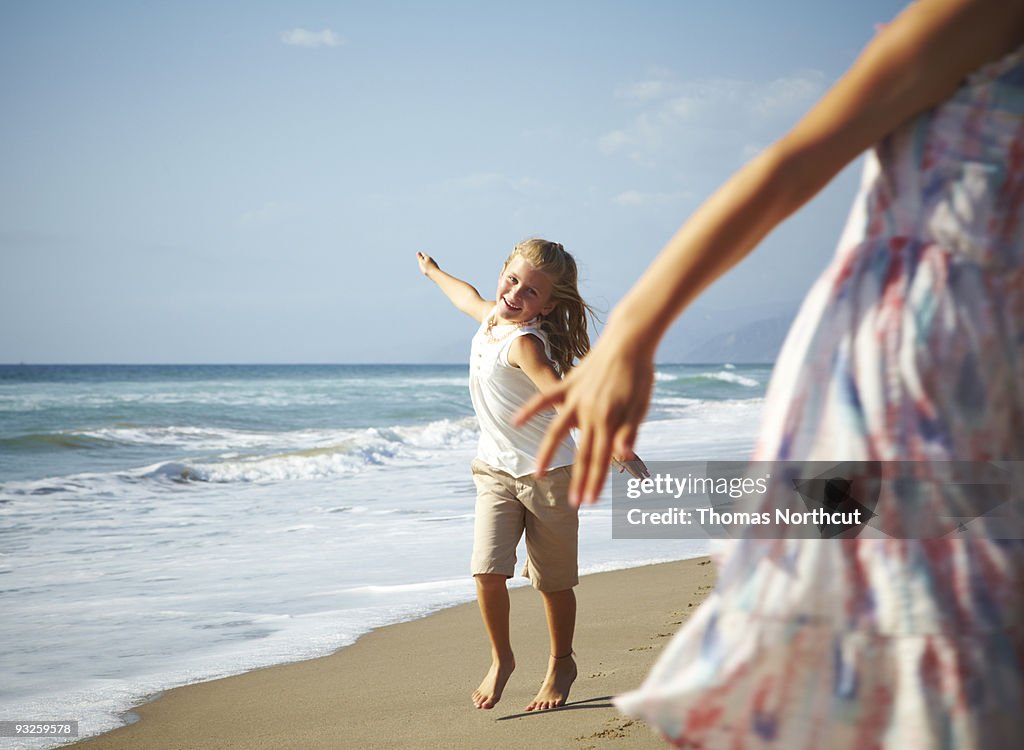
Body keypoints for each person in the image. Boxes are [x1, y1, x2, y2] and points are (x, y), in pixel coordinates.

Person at [517, 0, 1024, 746]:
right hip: (906, 376)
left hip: (997, 381)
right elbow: (791, 165)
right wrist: (632, 333)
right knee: (897, 624)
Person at [416, 239, 648, 712]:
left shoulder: (525, 344)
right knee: (486, 570)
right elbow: (465, 295)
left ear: (549, 305)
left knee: (553, 583)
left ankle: (562, 661)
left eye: (533, 292)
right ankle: (502, 660)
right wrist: (434, 272)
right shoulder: (491, 319)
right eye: (513, 279)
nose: (516, 293)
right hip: (494, 473)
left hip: (550, 478)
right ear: (503, 271)